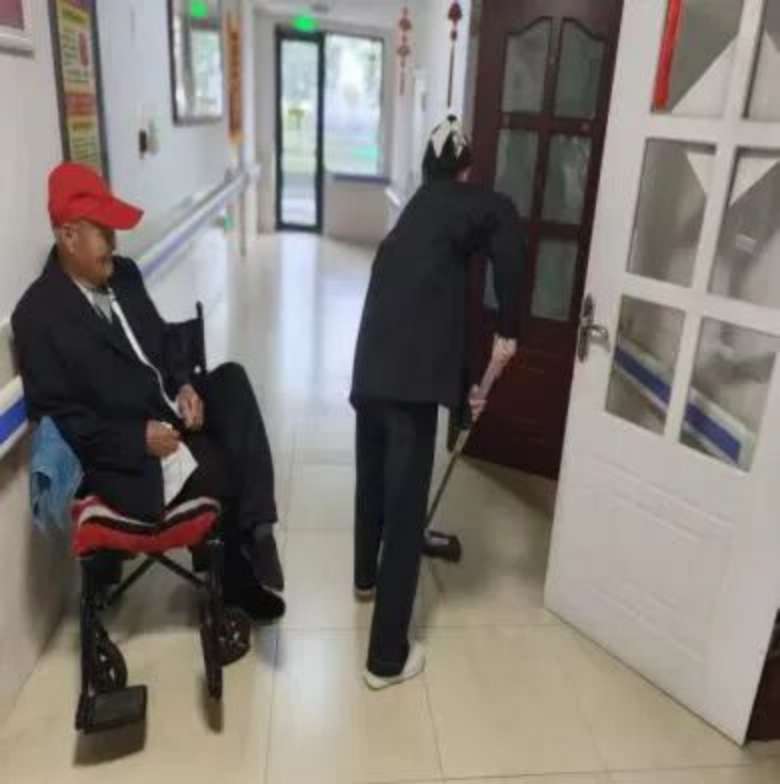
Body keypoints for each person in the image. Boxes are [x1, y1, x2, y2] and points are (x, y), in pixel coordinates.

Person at [12, 162, 285, 622]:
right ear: (69, 236)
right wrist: (137, 438)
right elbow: (65, 422)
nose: (114, 242)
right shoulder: (38, 318)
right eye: (103, 231)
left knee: (232, 381)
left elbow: (161, 343)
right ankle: (236, 581)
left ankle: (259, 530)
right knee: (225, 464)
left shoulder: (125, 275)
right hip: (125, 455)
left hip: (170, 415)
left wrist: (184, 386)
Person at [351, 116, 524, 689]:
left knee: (372, 483)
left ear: (425, 171)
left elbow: (435, 305)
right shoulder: (468, 204)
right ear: (466, 171)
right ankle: (385, 660)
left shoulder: (413, 219)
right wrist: (510, 329)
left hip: (370, 375)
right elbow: (506, 221)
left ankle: (365, 578)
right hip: (410, 389)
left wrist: (464, 388)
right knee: (405, 516)